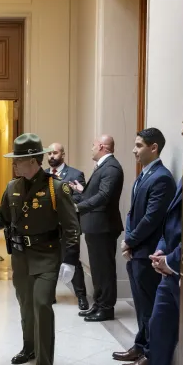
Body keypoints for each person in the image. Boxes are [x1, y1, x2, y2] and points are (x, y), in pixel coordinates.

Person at [0, 133, 80, 365]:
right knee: (25, 306)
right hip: (21, 258)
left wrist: (70, 261)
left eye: (18, 160)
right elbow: (3, 218)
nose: (14, 165)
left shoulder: (57, 188)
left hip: (47, 256)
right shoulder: (12, 187)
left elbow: (71, 227)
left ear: (33, 160)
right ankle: (29, 348)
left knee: (42, 306)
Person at [113, 178, 182, 365]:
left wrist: (172, 260)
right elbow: (170, 222)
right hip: (169, 274)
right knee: (158, 331)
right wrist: (163, 249)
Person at [114, 128, 176, 365]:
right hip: (136, 250)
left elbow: (152, 218)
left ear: (154, 148)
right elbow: (132, 213)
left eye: (139, 145)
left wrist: (130, 241)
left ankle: (150, 356)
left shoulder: (162, 178)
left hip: (148, 252)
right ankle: (140, 345)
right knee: (140, 304)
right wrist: (128, 239)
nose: (134, 150)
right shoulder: (144, 175)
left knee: (149, 307)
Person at [71, 135, 124, 322]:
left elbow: (104, 196)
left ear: (102, 146)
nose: (91, 149)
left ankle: (106, 308)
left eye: (93, 146)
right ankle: (99, 304)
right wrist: (81, 191)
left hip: (104, 226)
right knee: (98, 269)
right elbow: (97, 192)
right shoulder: (104, 167)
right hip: (96, 226)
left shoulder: (111, 168)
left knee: (105, 270)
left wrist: (79, 206)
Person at [45, 143, 89, 310]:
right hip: (48, 227)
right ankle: (49, 294)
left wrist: (63, 206)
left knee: (72, 259)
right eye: (49, 154)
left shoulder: (75, 174)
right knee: (50, 261)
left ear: (63, 154)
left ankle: (81, 296)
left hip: (68, 226)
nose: (51, 156)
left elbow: (80, 198)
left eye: (55, 153)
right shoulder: (42, 175)